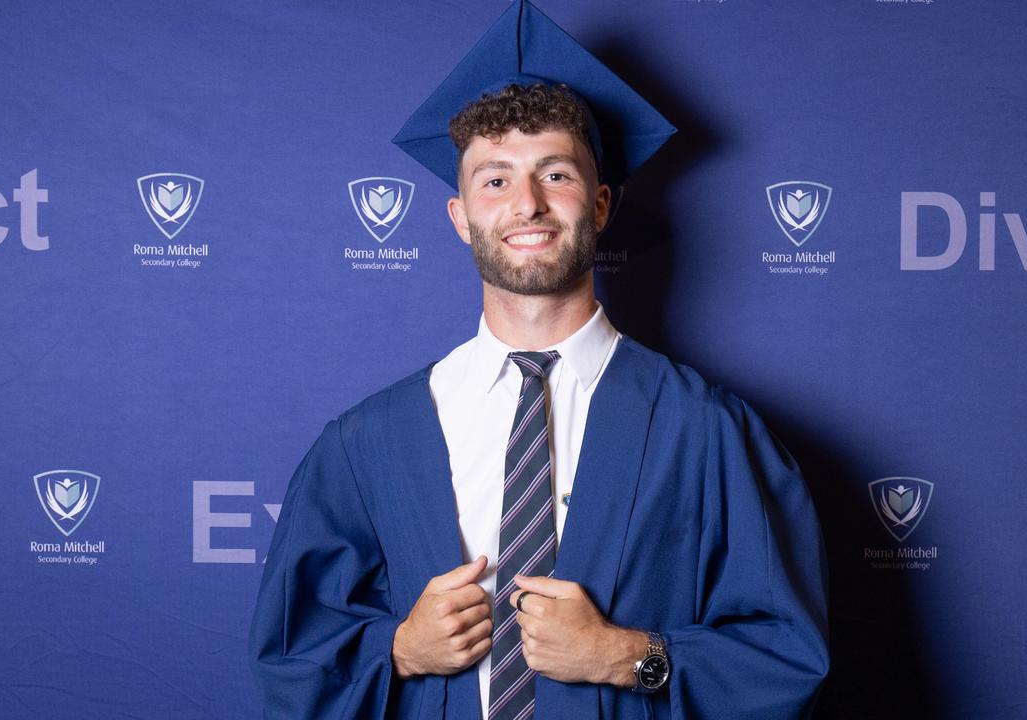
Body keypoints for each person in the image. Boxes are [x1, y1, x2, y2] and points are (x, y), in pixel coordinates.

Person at [248, 2, 828, 718]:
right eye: (494, 180)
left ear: (601, 204)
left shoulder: (706, 430)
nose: (526, 204)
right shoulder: (370, 442)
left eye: (556, 175)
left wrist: (629, 657)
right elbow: (292, 652)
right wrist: (398, 648)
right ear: (461, 218)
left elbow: (784, 656)